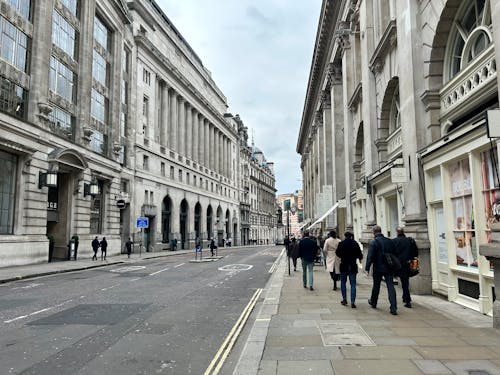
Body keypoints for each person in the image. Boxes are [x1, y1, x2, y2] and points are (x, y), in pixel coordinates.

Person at [364, 225, 398, 315]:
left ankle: (373, 302)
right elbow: (394, 253)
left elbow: (370, 257)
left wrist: (367, 268)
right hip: (389, 267)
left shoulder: (374, 242)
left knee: (376, 285)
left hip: (378, 267)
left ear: (374, 232)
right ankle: (393, 307)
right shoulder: (390, 241)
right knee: (390, 286)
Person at [392, 227, 419, 308]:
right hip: (408, 263)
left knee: (404, 282)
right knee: (405, 282)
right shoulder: (409, 240)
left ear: (397, 232)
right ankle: (405, 297)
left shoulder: (394, 241)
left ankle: (407, 300)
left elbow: (392, 253)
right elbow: (415, 252)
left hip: (398, 264)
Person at [336, 231, 363, 308]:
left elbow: (337, 253)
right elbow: (360, 255)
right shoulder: (355, 243)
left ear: (345, 236)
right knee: (353, 284)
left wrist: (343, 256)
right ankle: (352, 302)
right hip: (353, 265)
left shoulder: (341, 243)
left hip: (344, 265)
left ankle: (344, 299)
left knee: (343, 283)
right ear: (351, 236)